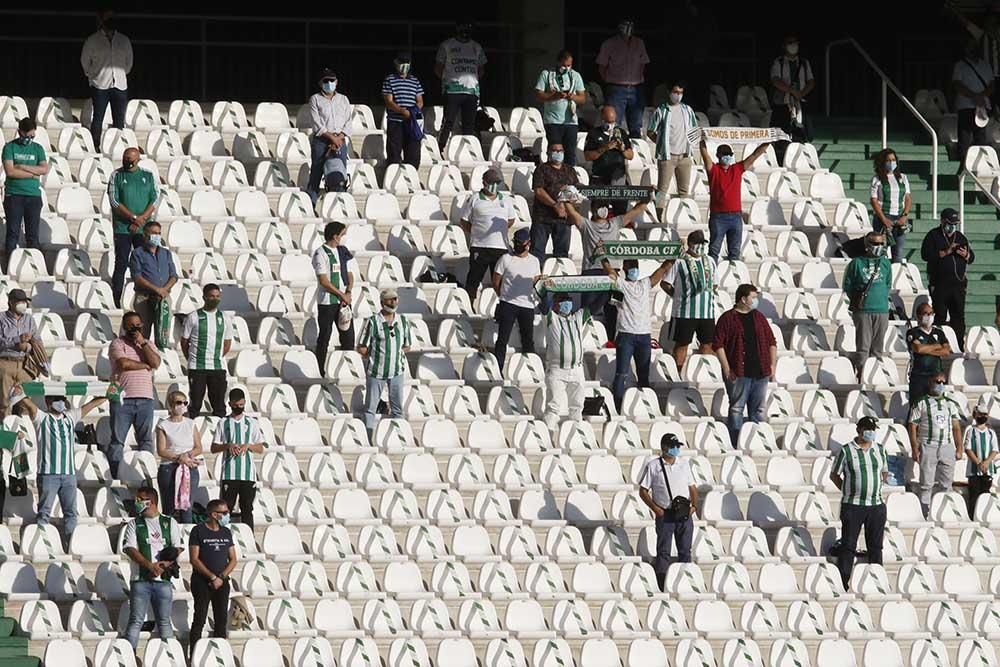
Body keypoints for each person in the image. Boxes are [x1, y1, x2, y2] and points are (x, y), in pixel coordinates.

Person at [14, 389, 107, 542]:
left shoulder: (71, 416)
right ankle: (42, 543)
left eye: (62, 398)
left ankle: (70, 543)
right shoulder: (41, 418)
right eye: (56, 399)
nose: (60, 402)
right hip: (48, 474)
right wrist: (20, 391)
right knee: (44, 513)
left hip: (69, 475)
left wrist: (109, 392)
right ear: (47, 402)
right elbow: (29, 406)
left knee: (71, 513)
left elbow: (91, 404)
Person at [564, 198, 648, 343]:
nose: (603, 209)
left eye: (605, 206)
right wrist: (565, 198)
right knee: (588, 310)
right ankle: (580, 339)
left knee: (614, 310)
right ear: (594, 209)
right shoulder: (586, 225)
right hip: (592, 273)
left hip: (613, 275)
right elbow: (571, 212)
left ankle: (612, 340)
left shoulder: (615, 223)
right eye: (600, 206)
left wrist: (647, 197)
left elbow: (636, 211)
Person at [601, 254, 675, 411]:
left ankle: (645, 406)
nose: (634, 271)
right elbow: (609, 272)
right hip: (626, 334)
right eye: (631, 268)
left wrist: (673, 257)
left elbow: (661, 270)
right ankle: (617, 406)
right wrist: (603, 258)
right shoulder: (620, 284)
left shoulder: (644, 284)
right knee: (621, 374)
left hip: (643, 335)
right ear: (625, 270)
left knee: (643, 376)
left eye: (635, 268)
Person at [713, 284, 777, 447]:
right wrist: (726, 368)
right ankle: (735, 442)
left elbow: (771, 341)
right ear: (743, 299)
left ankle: (757, 442)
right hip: (738, 373)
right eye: (753, 298)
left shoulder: (759, 317)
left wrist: (772, 365)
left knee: (758, 410)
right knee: (736, 409)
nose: (756, 301)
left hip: (760, 372)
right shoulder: (727, 318)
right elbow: (718, 344)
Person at [830, 416, 888, 590]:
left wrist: (874, 486)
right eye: (867, 429)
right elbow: (834, 475)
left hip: (876, 506)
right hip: (853, 505)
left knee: (876, 546)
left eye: (873, 429)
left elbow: (884, 472)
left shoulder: (880, 450)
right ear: (859, 430)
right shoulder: (847, 450)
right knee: (848, 546)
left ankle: (877, 582)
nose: (871, 433)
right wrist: (849, 490)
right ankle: (843, 583)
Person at [123, 486, 183, 651]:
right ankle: (128, 658)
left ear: (151, 501)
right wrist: (149, 565)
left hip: (163, 580)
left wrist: (162, 565)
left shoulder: (169, 522)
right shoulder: (134, 523)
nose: (136, 503)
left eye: (139, 500)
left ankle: (170, 658)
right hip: (140, 580)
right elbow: (130, 548)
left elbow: (177, 547)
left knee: (164, 621)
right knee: (136, 621)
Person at [638, 433, 698, 591]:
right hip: (665, 513)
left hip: (684, 513)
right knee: (663, 550)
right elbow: (643, 490)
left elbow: (692, 487)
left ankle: (686, 581)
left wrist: (694, 506)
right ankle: (661, 583)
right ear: (664, 447)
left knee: (685, 549)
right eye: (674, 446)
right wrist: (655, 508)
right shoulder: (654, 466)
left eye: (678, 446)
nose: (676, 449)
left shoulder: (684, 464)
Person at [699, 134, 772, 262]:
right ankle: (711, 278)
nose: (727, 157)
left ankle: (734, 277)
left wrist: (769, 142)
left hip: (735, 217)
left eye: (729, 154)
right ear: (718, 156)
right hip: (718, 217)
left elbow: (754, 155)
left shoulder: (737, 169)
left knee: (735, 252)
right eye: (724, 154)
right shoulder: (714, 170)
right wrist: (701, 140)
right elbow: (705, 156)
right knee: (714, 251)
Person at [107, 311, 161, 479]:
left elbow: (156, 363)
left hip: (145, 399)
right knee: (118, 441)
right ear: (124, 326)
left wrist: (143, 343)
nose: (134, 329)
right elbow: (123, 363)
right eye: (131, 326)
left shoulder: (148, 344)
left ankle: (145, 473)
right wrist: (144, 365)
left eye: (138, 325)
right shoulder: (117, 343)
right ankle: (115, 475)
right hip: (123, 399)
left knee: (145, 441)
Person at [108, 147, 157, 307]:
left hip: (143, 229)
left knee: (145, 262)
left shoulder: (148, 176)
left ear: (137, 160)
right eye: (125, 158)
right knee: (121, 262)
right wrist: (132, 218)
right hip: (123, 228)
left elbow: (154, 200)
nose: (127, 161)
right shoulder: (116, 175)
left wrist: (141, 220)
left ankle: (146, 296)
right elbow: (114, 201)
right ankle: (116, 296)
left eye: (130, 159)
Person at [358, 289, 412, 435]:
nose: (393, 302)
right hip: (376, 371)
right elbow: (361, 346)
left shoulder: (403, 321)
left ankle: (398, 438)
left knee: (397, 409)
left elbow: (407, 346)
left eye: (395, 299)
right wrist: (376, 356)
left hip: (396, 371)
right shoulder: (373, 321)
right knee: (370, 409)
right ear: (382, 302)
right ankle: (367, 439)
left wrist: (394, 354)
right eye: (389, 299)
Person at [909, 373, 963, 517]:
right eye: (937, 381)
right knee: (926, 484)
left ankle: (945, 513)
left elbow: (956, 427)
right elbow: (912, 425)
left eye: (942, 382)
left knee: (947, 485)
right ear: (930, 382)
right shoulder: (921, 402)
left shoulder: (950, 403)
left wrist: (959, 447)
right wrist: (915, 448)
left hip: (946, 446)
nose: (940, 384)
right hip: (928, 445)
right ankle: (924, 513)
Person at [188, 498, 236, 658]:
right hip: (202, 581)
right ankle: (194, 656)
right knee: (199, 619)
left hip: (222, 582)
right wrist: (212, 576)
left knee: (221, 620)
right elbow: (194, 559)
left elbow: (233, 559)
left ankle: (219, 657)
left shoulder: (226, 532)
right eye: (225, 513)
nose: (227, 515)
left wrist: (221, 577)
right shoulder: (198, 531)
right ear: (214, 514)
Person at [212, 389, 266, 529]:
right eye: (236, 405)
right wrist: (228, 446)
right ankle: (223, 536)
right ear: (230, 404)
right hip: (229, 473)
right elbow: (213, 448)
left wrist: (248, 446)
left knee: (247, 508)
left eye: (241, 405)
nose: (239, 408)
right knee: (225, 508)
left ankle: (249, 538)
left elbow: (260, 448)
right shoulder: (223, 422)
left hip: (247, 475)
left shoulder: (252, 422)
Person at [922, 208, 974, 350]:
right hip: (939, 284)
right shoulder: (933, 235)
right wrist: (946, 252)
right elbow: (925, 255)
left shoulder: (960, 237)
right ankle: (939, 344)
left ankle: (958, 345)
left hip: (958, 284)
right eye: (950, 223)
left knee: (958, 317)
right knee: (940, 315)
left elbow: (972, 257)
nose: (952, 227)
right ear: (943, 221)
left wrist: (966, 255)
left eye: (955, 224)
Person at [460, 168, 515, 301]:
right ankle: (469, 304)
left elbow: (511, 219)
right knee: (473, 279)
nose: (494, 185)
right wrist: (477, 232)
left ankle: (501, 308)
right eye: (491, 182)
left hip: (500, 247)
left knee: (500, 282)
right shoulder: (475, 199)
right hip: (480, 246)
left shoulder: (506, 200)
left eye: (497, 182)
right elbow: (464, 221)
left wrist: (499, 228)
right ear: (484, 182)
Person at [664, 230, 716, 371]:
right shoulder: (679, 261)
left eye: (702, 243)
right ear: (690, 243)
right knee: (682, 345)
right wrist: (676, 295)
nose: (700, 246)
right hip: (684, 312)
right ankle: (677, 374)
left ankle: (702, 372)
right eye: (697, 243)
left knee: (707, 345)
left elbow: (714, 284)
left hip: (706, 313)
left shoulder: (710, 261)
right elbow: (665, 283)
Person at [492, 229, 542, 374]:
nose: (518, 245)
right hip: (508, 303)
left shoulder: (534, 261)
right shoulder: (505, 259)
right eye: (516, 243)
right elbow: (496, 281)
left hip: (527, 305)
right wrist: (504, 297)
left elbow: (536, 281)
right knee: (502, 339)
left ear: (528, 243)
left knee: (528, 340)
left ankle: (531, 371)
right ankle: (498, 369)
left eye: (521, 243)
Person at [81, 8, 132, 147]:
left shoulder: (123, 40)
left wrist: (121, 75)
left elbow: (129, 63)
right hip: (100, 85)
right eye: (108, 18)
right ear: (102, 20)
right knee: (98, 118)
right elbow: (85, 62)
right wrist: (93, 77)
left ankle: (117, 146)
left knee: (119, 119)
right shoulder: (92, 40)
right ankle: (95, 145)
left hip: (120, 85)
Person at [2, 118, 48, 271]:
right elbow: (10, 171)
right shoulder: (10, 148)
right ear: (20, 132)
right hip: (14, 195)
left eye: (33, 137)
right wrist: (32, 173)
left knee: (33, 235)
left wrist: (22, 166)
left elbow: (44, 169)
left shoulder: (38, 149)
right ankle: (9, 267)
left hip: (33, 196)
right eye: (27, 136)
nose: (30, 140)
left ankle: (34, 268)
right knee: (13, 233)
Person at [844, 232, 891, 374]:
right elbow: (848, 286)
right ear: (867, 245)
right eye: (876, 243)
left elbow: (888, 284)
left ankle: (875, 375)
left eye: (881, 243)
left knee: (877, 348)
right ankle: (862, 375)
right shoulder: (856, 263)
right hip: (863, 310)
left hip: (882, 310)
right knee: (863, 348)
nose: (879, 246)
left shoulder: (886, 263)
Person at [311, 222, 356, 374]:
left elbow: (350, 274)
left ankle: (346, 369)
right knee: (325, 336)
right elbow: (323, 280)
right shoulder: (320, 253)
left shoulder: (343, 251)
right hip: (327, 303)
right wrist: (341, 294)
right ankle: (320, 370)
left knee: (348, 337)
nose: (344, 237)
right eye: (342, 234)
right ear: (335, 236)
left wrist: (348, 292)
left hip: (344, 302)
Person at [435, 21, 487, 151]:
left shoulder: (477, 46)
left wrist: (471, 81)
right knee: (448, 121)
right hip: (452, 91)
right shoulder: (446, 45)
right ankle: (440, 148)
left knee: (469, 125)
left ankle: (468, 151)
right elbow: (438, 68)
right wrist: (449, 81)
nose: (465, 32)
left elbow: (481, 69)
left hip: (471, 92)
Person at [646, 81, 699, 209]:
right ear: (670, 93)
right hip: (667, 157)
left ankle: (683, 215)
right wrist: (662, 144)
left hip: (685, 156)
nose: (678, 95)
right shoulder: (661, 110)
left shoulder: (688, 110)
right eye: (675, 92)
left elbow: (694, 130)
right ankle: (658, 216)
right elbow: (650, 131)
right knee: (662, 190)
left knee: (684, 192)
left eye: (680, 93)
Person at [182, 284, 231, 419]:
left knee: (219, 405)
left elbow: (227, 343)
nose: (215, 299)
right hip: (197, 367)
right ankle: (192, 436)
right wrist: (191, 358)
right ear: (204, 297)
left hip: (217, 367)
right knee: (195, 404)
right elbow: (184, 341)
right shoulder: (193, 317)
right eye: (211, 296)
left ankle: (221, 437)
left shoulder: (225, 318)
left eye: (217, 296)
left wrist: (217, 356)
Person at [542, 293, 589, 431]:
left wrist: (608, 284)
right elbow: (544, 306)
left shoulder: (578, 317)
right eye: (563, 300)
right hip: (557, 369)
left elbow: (595, 305)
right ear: (556, 304)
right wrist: (546, 289)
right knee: (554, 406)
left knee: (577, 406)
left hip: (577, 369)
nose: (567, 303)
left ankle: (576, 437)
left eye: (569, 300)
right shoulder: (551, 318)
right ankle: (548, 437)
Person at [596, 19, 650, 138]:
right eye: (625, 25)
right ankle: (614, 152)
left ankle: (635, 153)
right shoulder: (609, 44)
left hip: (636, 88)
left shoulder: (639, 43)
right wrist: (609, 81)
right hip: (616, 88)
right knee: (613, 125)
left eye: (631, 25)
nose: (628, 28)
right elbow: (602, 66)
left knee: (636, 126)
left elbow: (643, 64)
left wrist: (638, 79)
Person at [305, 68, 352, 205]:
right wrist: (332, 138)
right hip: (322, 141)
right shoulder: (315, 99)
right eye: (326, 81)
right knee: (316, 174)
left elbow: (348, 121)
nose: (329, 83)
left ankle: (340, 204)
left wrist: (340, 137)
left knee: (339, 173)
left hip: (340, 141)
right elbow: (316, 123)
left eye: (332, 80)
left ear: (336, 82)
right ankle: (311, 204)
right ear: (321, 83)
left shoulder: (343, 99)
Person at [156, 390, 202, 524]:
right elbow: (161, 450)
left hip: (189, 467)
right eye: (178, 402)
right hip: (169, 468)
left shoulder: (190, 423)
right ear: (171, 404)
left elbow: (198, 447)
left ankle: (187, 540)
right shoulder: (163, 425)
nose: (182, 405)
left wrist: (186, 456)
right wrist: (178, 457)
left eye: (185, 402)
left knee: (187, 506)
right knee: (169, 507)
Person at [535, 50, 586, 167]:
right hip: (553, 121)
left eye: (569, 65)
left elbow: (582, 98)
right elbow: (538, 95)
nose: (566, 68)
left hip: (571, 121)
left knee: (570, 153)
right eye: (564, 65)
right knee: (555, 151)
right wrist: (554, 96)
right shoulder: (546, 74)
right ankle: (551, 176)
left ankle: (569, 178)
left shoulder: (575, 76)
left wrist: (572, 97)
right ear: (558, 62)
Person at [530, 143, 578, 263]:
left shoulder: (570, 170)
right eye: (554, 150)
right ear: (548, 153)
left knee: (562, 255)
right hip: (542, 218)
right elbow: (539, 190)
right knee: (537, 252)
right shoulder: (541, 169)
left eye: (560, 151)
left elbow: (576, 190)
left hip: (563, 219)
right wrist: (555, 205)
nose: (558, 153)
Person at [769, 34, 815, 163]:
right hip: (782, 103)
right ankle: (780, 159)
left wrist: (801, 93)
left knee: (806, 132)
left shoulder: (804, 63)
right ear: (784, 46)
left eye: (795, 42)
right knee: (781, 133)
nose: (793, 45)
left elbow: (811, 81)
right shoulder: (779, 62)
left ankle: (801, 158)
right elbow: (775, 80)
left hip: (800, 102)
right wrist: (791, 91)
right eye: (790, 43)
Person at [129, 221, 177, 340]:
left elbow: (174, 275)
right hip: (144, 298)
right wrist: (157, 289)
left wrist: (163, 290)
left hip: (163, 297)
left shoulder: (166, 253)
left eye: (159, 233)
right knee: (142, 333)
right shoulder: (137, 253)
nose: (157, 236)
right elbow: (137, 277)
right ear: (145, 234)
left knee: (163, 333)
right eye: (154, 233)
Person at [0, 289, 44, 419]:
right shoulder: (1, 319)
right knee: (4, 402)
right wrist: (16, 341)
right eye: (20, 301)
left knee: (25, 402)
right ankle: (5, 433)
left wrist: (28, 347)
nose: (23, 304)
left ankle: (23, 432)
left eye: (24, 301)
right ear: (11, 302)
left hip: (24, 363)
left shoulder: (29, 319)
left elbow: (37, 341)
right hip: (5, 363)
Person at [584, 106, 634, 213]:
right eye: (608, 122)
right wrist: (604, 148)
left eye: (613, 122)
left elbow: (630, 155)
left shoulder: (621, 133)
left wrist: (622, 149)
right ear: (602, 118)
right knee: (600, 212)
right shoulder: (594, 133)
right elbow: (587, 156)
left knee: (620, 212)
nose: (610, 125)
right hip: (600, 179)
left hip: (618, 179)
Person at [953, 39, 994, 166]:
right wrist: (973, 96)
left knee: (981, 138)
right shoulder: (960, 65)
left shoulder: (985, 65)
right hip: (966, 106)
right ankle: (963, 167)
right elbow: (957, 84)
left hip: (982, 107)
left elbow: (992, 84)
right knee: (964, 139)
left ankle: (979, 166)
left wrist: (982, 96)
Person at [382, 52, 425, 168]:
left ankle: (411, 177)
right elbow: (389, 102)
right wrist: (402, 111)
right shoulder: (389, 80)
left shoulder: (415, 80)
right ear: (396, 63)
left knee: (413, 155)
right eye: (402, 62)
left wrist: (413, 112)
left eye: (406, 63)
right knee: (394, 155)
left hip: (412, 122)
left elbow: (420, 101)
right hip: (396, 122)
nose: (404, 65)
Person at [869, 148, 911, 265]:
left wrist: (904, 216)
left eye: (893, 160)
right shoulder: (876, 179)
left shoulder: (903, 177)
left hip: (899, 218)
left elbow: (907, 198)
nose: (891, 162)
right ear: (883, 162)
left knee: (898, 251)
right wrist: (883, 219)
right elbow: (874, 200)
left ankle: (896, 279)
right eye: (888, 160)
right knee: (880, 251)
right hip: (883, 217)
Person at [905, 303, 951, 404]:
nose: (929, 316)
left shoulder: (939, 333)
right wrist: (937, 346)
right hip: (919, 376)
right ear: (918, 315)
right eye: (926, 313)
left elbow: (946, 351)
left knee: (936, 406)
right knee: (916, 406)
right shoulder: (913, 332)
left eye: (931, 313)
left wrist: (927, 349)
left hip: (936, 376)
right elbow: (918, 349)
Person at [965, 397, 998, 519]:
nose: (982, 416)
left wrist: (987, 462)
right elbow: (968, 449)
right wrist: (979, 463)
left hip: (987, 469)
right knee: (974, 495)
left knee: (985, 494)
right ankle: (972, 516)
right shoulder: (971, 431)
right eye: (980, 414)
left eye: (985, 414)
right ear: (975, 415)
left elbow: (995, 450)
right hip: (974, 470)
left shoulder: (991, 433)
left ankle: (984, 516)